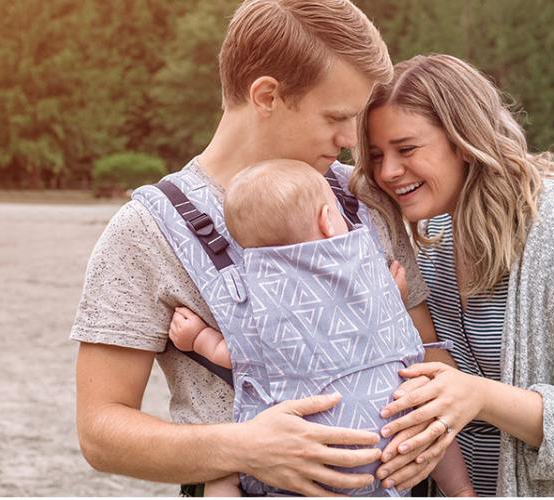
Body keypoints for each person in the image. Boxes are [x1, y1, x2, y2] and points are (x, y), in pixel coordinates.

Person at [69, 0, 453, 496]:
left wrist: (432, 421)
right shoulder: (144, 232)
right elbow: (100, 431)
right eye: (336, 117)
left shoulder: (363, 200)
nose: (350, 140)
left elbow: (427, 351)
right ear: (267, 95)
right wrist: (244, 448)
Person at [348, 53, 554, 496]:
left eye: (406, 149)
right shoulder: (431, 236)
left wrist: (479, 397)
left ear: (463, 139)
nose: (387, 171)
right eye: (375, 155)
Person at [166, 159, 475, 496]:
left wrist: (198, 338)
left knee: (224, 472)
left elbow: (237, 353)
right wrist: (394, 296)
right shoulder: (368, 267)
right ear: (329, 221)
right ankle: (460, 490)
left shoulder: (259, 297)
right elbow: (390, 325)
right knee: (435, 423)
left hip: (314, 462)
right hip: (393, 441)